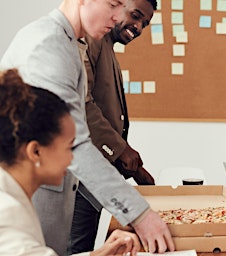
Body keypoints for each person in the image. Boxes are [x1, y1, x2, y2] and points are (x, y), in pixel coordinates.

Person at [0, 0, 174, 254]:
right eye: (113, 4)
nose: (117, 17)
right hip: (37, 200)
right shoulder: (48, 45)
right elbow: (77, 143)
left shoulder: (70, 42)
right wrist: (139, 215)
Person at [0, 68, 141, 256]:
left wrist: (99, 254)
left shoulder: (13, 196)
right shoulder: (9, 214)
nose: (72, 158)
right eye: (69, 147)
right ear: (36, 151)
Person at [71, 0, 156, 252]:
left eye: (145, 24)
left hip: (95, 178)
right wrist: (121, 152)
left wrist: (130, 161)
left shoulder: (107, 46)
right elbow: (82, 104)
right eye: (136, 16)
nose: (139, 27)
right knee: (75, 249)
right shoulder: (93, 40)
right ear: (118, 8)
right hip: (78, 180)